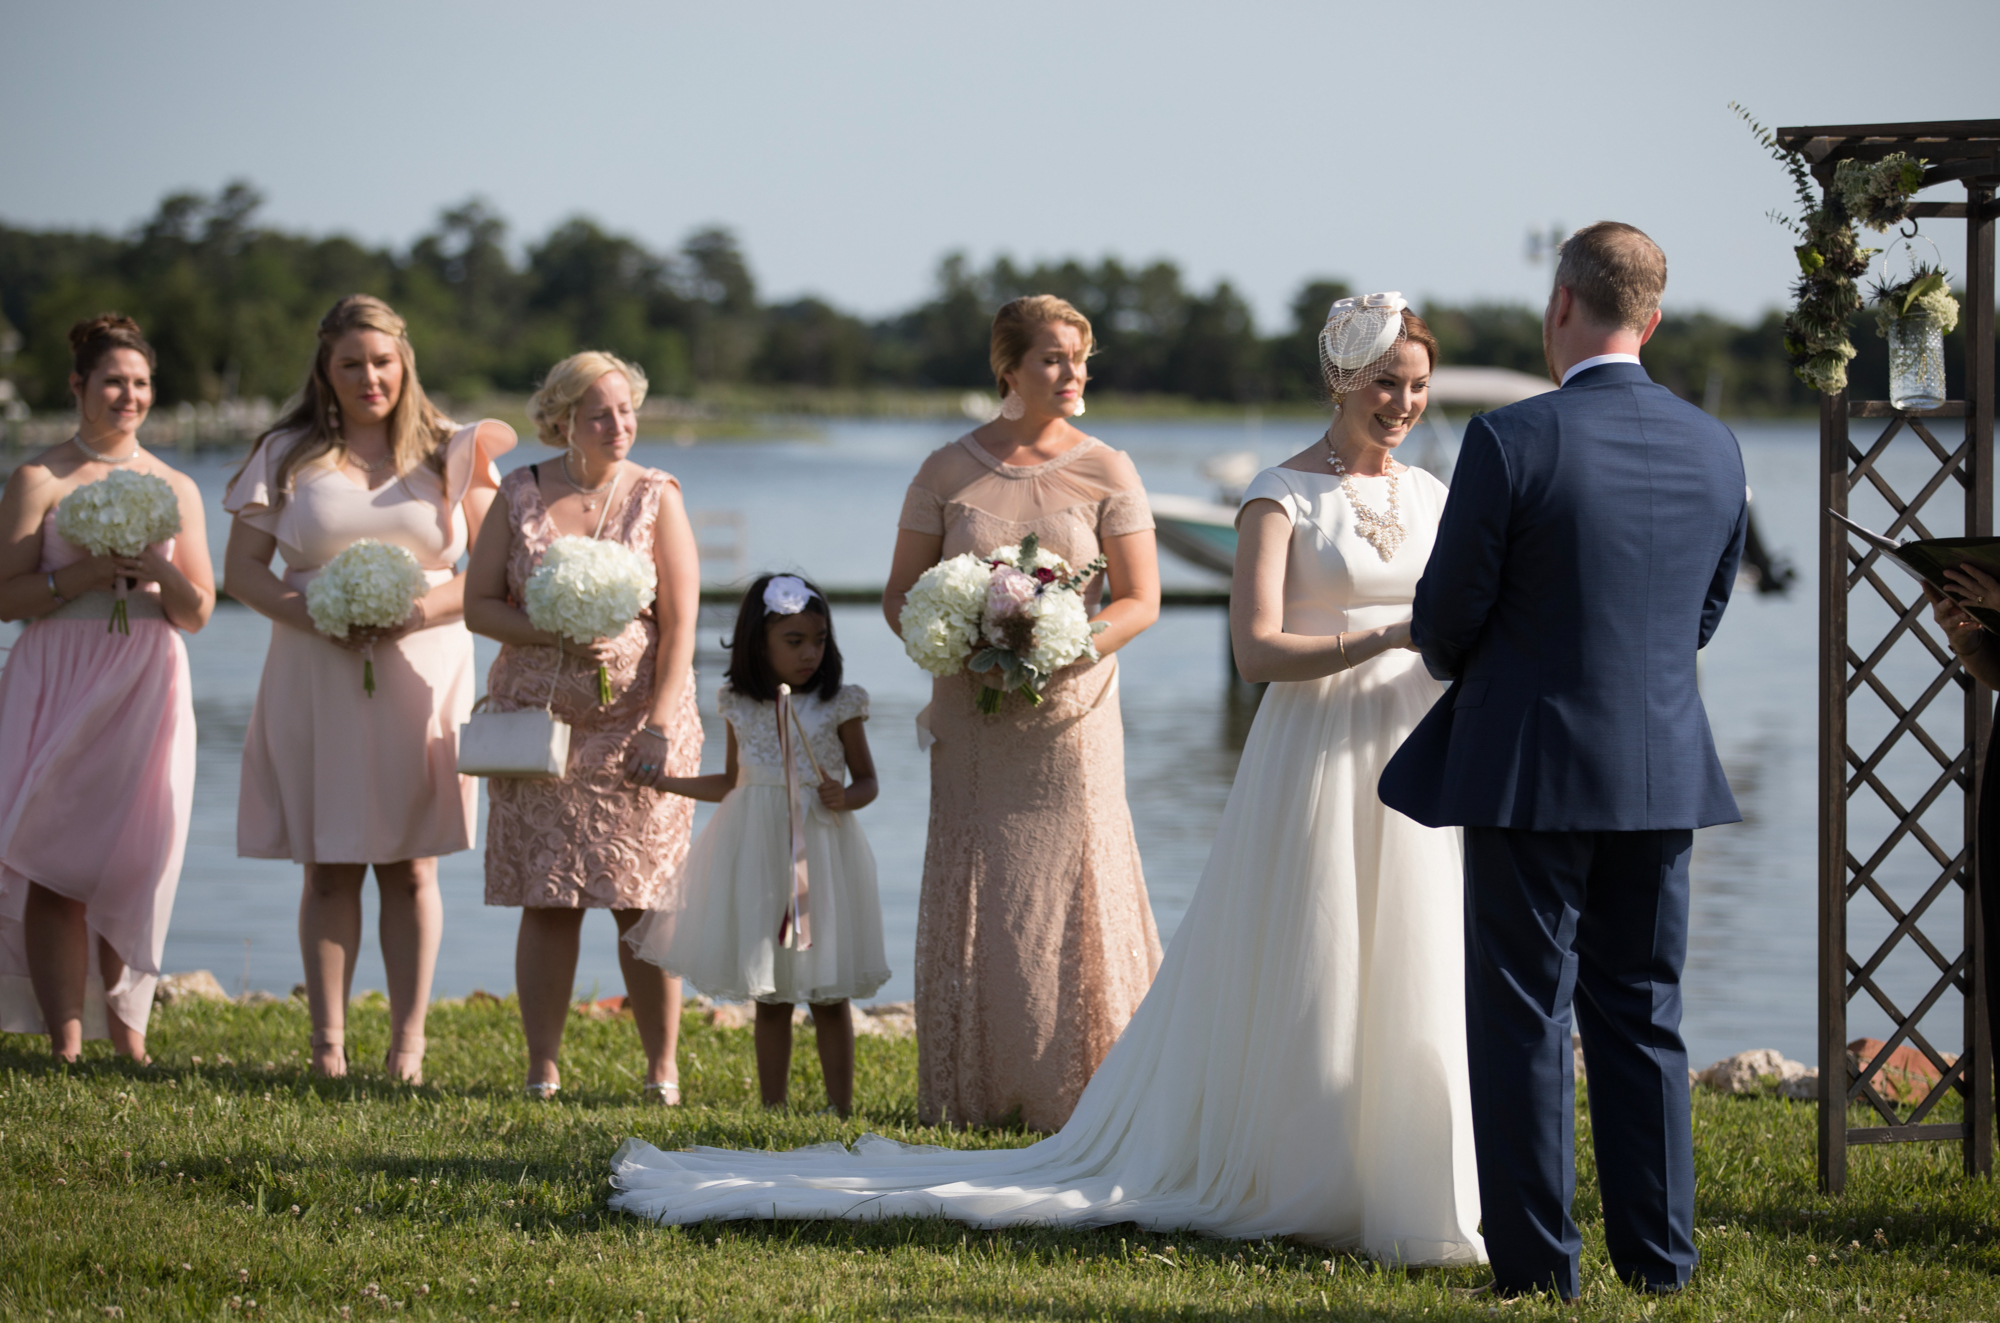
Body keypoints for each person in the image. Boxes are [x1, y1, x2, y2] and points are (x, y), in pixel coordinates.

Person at [607, 297, 1485, 1267]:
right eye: (1382, 382)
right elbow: (1255, 647)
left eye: (1414, 385)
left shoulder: (1436, 497)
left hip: (1401, 739)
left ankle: (1394, 1165)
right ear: (1338, 379)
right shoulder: (1277, 492)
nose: (1400, 401)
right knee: (1311, 935)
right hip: (1304, 747)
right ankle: (1288, 1158)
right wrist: (1389, 634)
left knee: (1407, 940)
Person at [1379, 223, 1749, 1299]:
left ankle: (1540, 1272)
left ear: (1559, 305)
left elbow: (1445, 620)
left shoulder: (1507, 440)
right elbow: (1701, 616)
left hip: (1529, 766)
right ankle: (1660, 1262)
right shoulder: (1716, 445)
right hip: (1660, 766)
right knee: (1641, 1014)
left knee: (1521, 1018)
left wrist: (1477, 658)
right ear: (1653, 319)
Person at [881, 294, 1162, 1131]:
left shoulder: (1109, 468)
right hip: (973, 722)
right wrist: (955, 639)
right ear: (1007, 369)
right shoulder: (944, 471)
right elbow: (900, 595)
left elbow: (1142, 598)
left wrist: (1069, 641)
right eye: (1051, 358)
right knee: (985, 889)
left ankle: (1089, 1095)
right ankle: (974, 1093)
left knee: (1075, 888)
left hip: (1073, 723)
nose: (1072, 373)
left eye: (1080, 358)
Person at [223, 294, 514, 1083]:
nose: (368, 377)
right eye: (350, 363)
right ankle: (328, 1048)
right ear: (325, 368)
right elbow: (241, 570)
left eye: (381, 361)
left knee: (412, 862)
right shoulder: (284, 452)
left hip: (422, 668)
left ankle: (407, 1049)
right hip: (313, 669)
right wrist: (315, 611)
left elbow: (490, 570)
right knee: (328, 861)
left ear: (404, 363)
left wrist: (416, 608)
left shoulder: (453, 452)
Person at [464, 351, 702, 1103]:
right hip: (541, 727)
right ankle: (543, 1067)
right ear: (563, 418)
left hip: (640, 724)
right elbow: (478, 605)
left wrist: (660, 725)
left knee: (646, 896)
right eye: (601, 413)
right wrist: (553, 628)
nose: (620, 425)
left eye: (627, 409)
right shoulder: (519, 492)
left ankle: (661, 1068)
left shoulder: (657, 494)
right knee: (548, 893)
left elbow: (681, 623)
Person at [0, 314, 214, 1062]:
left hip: (145, 675)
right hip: (56, 670)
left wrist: (156, 571)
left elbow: (199, 612)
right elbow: (5, 597)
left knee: (133, 856)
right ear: (78, 386)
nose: (129, 395)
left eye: (141, 383)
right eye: (114, 381)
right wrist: (77, 577)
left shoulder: (176, 485)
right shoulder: (39, 477)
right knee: (53, 847)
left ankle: (130, 1035)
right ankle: (64, 1040)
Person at [625, 573, 887, 1116]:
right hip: (758, 854)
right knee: (771, 990)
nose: (810, 653)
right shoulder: (738, 705)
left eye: (819, 640)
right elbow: (730, 783)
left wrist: (846, 795)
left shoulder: (840, 704)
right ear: (758, 642)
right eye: (795, 641)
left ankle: (842, 1108)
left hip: (820, 851)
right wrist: (667, 782)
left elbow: (868, 781)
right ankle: (774, 1107)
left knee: (829, 990)